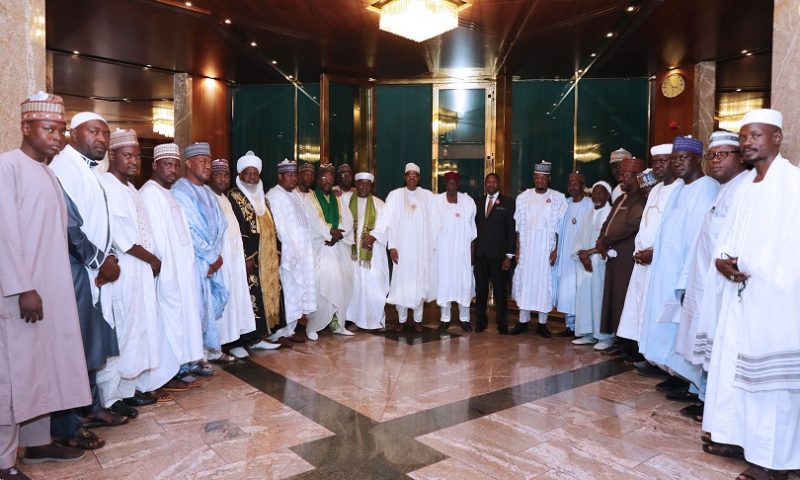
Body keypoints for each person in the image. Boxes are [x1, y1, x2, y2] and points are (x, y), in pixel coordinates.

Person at [702, 109, 800, 480]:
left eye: (756, 135)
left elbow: (793, 245)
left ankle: (772, 462)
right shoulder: (745, 186)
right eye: (743, 136)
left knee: (771, 384)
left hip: (776, 300)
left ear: (777, 137)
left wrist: (753, 265)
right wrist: (723, 260)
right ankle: (738, 438)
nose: (747, 142)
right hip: (741, 294)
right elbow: (728, 237)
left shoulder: (792, 183)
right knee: (734, 371)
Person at [1, 93, 90, 477]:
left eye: (60, 130)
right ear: (26, 128)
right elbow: (4, 233)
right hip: (21, 294)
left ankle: (36, 445)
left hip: (50, 289)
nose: (57, 137)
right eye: (48, 129)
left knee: (43, 367)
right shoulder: (8, 167)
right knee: (15, 373)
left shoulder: (48, 172)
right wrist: (23, 287)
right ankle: (3, 461)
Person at [49, 111, 126, 444]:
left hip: (91, 268)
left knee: (90, 343)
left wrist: (108, 259)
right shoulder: (64, 167)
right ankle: (66, 427)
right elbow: (68, 226)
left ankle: (91, 408)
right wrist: (98, 260)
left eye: (106, 134)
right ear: (72, 133)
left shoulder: (87, 168)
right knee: (72, 347)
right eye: (95, 132)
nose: (103, 140)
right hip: (73, 268)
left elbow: (99, 221)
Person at [668, 131, 748, 421]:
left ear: (740, 157)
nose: (715, 160)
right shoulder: (724, 187)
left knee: (718, 345)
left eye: (723, 154)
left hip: (723, 285)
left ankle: (710, 402)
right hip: (704, 280)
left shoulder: (744, 188)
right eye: (712, 155)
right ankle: (702, 396)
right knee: (705, 342)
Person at [637, 136, 719, 392]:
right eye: (674, 158)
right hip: (666, 272)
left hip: (684, 277)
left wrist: (684, 281)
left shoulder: (707, 188)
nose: (677, 163)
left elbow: (697, 241)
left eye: (682, 158)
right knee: (670, 330)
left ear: (698, 159)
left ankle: (693, 385)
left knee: (686, 330)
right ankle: (680, 376)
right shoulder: (680, 189)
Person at [97, 129, 162, 420]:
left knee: (139, 329)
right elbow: (124, 238)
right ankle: (110, 398)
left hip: (141, 270)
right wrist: (153, 260)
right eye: (128, 155)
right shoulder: (107, 185)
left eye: (137, 156)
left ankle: (128, 390)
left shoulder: (131, 188)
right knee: (123, 331)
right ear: (112, 156)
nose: (135, 161)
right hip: (124, 269)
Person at [139, 143, 204, 392]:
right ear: (155, 165)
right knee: (166, 326)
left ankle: (173, 371)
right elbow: (155, 241)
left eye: (176, 165)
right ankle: (161, 378)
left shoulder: (169, 193)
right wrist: (168, 274)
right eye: (168, 164)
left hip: (181, 273)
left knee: (180, 324)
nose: (173, 170)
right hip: (165, 275)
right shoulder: (150, 193)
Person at [616, 144, 680, 357]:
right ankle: (646, 353)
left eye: (664, 160)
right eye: (656, 162)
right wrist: (639, 251)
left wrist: (654, 252)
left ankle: (659, 357)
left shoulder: (680, 189)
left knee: (658, 311)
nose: (659, 166)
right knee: (639, 308)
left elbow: (673, 230)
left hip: (660, 262)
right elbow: (645, 225)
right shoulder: (655, 191)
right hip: (642, 261)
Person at [172, 142, 228, 370]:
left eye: (209, 161)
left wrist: (215, 256)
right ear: (188, 163)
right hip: (193, 263)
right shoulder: (180, 191)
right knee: (192, 311)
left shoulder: (207, 192)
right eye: (202, 161)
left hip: (209, 261)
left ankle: (199, 356)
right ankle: (186, 363)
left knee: (205, 310)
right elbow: (190, 230)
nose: (208, 166)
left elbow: (220, 225)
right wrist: (211, 257)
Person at [225, 151, 283, 353]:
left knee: (262, 298)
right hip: (249, 259)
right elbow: (236, 229)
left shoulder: (263, 199)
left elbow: (271, 227)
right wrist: (245, 258)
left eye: (255, 174)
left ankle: (258, 338)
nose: (251, 178)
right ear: (239, 175)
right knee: (248, 299)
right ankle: (240, 342)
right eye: (247, 174)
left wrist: (277, 252)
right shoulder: (233, 197)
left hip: (266, 259)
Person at [207, 158, 259, 359]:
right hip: (219, 263)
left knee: (234, 301)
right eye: (217, 174)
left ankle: (230, 342)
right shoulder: (208, 198)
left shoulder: (225, 198)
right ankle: (215, 348)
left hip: (233, 261)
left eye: (225, 175)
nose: (222, 179)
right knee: (220, 304)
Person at [511, 161, 567, 338]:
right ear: (533, 178)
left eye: (544, 178)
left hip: (545, 248)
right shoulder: (523, 197)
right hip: (527, 247)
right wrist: (518, 249)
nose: (540, 181)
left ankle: (543, 324)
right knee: (526, 284)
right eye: (537, 177)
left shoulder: (558, 198)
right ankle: (522, 321)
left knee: (544, 285)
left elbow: (560, 228)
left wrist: (555, 250)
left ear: (548, 179)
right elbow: (518, 227)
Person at [596, 157, 646, 352]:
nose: (621, 178)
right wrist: (601, 240)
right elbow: (607, 223)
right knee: (614, 298)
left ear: (637, 176)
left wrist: (607, 241)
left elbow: (632, 224)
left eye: (626, 175)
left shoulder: (642, 198)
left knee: (625, 299)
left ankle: (629, 344)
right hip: (613, 257)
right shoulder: (620, 198)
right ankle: (619, 340)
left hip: (627, 257)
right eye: (621, 174)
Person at [384, 163, 441, 332]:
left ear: (419, 178)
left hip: (420, 250)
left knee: (418, 284)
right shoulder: (394, 196)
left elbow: (435, 223)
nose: (412, 177)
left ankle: (418, 320)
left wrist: (430, 246)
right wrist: (392, 246)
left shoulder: (427, 196)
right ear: (404, 177)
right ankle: (401, 320)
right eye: (409, 174)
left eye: (415, 175)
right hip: (400, 250)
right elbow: (389, 223)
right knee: (402, 285)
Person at [266, 160, 316, 344]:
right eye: (289, 175)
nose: (294, 178)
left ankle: (291, 329)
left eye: (295, 175)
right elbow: (279, 227)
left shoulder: (294, 195)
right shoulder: (274, 195)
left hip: (302, 252)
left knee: (297, 291)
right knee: (287, 292)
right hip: (287, 253)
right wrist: (291, 250)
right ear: (280, 176)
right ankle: (280, 332)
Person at [302, 164, 354, 340]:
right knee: (320, 287)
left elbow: (347, 220)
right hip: (320, 249)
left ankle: (337, 324)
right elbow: (313, 221)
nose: (327, 181)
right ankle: (313, 326)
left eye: (330, 179)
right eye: (323, 178)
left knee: (340, 286)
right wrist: (330, 232)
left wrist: (338, 235)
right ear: (318, 180)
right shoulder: (310, 199)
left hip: (337, 249)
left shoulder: (338, 199)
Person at [345, 172, 390, 331]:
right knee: (354, 287)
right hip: (352, 254)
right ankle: (355, 321)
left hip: (372, 255)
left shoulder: (379, 204)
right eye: (360, 183)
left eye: (367, 184)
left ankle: (376, 321)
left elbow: (385, 225)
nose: (363, 186)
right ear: (356, 185)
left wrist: (373, 236)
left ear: (371, 186)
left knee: (374, 286)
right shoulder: (347, 201)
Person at [432, 171, 476, 332]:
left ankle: (464, 319)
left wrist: (471, 254)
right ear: (445, 184)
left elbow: (472, 232)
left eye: (454, 183)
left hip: (462, 254)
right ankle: (445, 318)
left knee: (464, 284)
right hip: (443, 253)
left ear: (458, 185)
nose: (451, 185)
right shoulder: (436, 201)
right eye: (449, 182)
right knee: (445, 283)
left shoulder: (468, 202)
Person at [473, 173, 516, 334]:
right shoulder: (477, 202)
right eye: (488, 182)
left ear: (499, 184)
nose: (491, 184)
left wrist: (509, 256)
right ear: (485, 184)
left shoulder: (508, 203)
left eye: (493, 182)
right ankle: (480, 322)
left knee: (500, 292)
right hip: (481, 255)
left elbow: (511, 231)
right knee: (481, 291)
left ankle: (502, 323)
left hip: (499, 257)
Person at [571, 182, 613, 346]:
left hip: (601, 265)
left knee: (600, 299)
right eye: (594, 193)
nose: (596, 196)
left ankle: (604, 337)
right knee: (585, 300)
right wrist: (582, 255)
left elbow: (608, 241)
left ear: (608, 195)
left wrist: (589, 254)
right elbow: (579, 238)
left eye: (600, 193)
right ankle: (588, 333)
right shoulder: (587, 213)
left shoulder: (610, 214)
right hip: (585, 265)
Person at [552, 171, 593, 337]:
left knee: (579, 291)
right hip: (565, 255)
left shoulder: (590, 204)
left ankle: (581, 327)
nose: (572, 187)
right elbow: (558, 230)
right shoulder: (565, 204)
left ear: (583, 186)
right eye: (570, 183)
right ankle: (569, 326)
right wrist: (555, 250)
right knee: (567, 291)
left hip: (581, 257)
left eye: (576, 183)